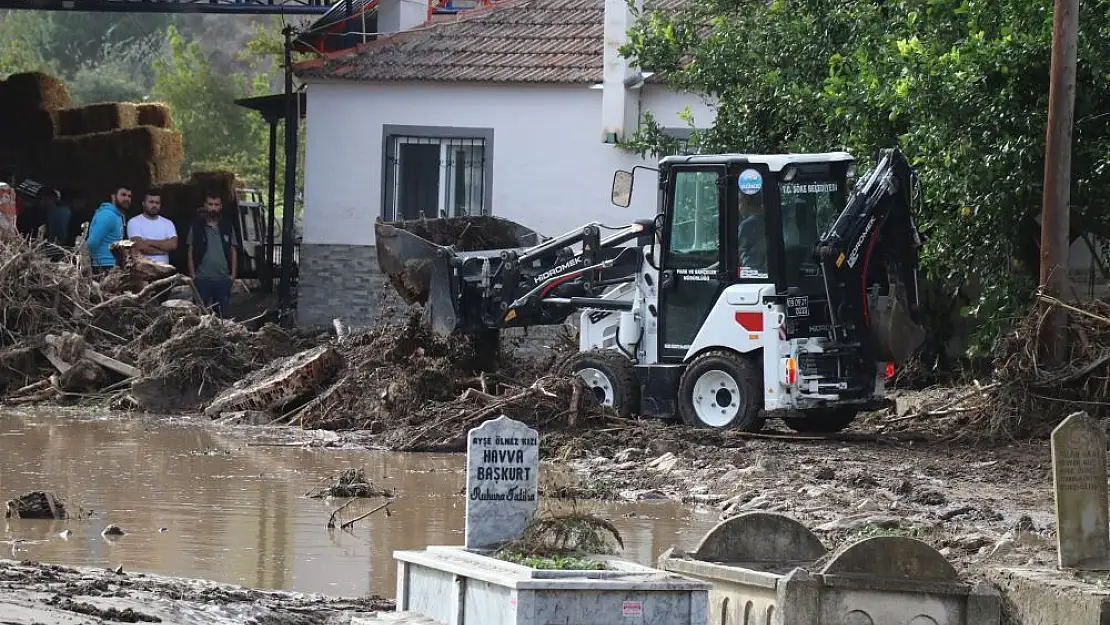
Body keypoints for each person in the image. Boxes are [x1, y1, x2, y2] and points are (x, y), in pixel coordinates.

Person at [187, 193, 241, 318]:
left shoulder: (227, 226)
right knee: (199, 315)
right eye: (210, 204)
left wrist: (232, 275)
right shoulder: (196, 226)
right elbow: (190, 251)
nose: (213, 208)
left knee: (222, 316)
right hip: (201, 278)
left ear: (221, 207)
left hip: (222, 279)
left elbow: (233, 250)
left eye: (216, 205)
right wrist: (193, 275)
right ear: (205, 206)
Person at [86, 186, 131, 275]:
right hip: (103, 266)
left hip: (113, 265)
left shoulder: (118, 215)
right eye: (123, 195)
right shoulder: (107, 215)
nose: (127, 198)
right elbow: (91, 243)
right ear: (113, 197)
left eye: (129, 196)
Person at [126, 189, 177, 264]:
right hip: (142, 272)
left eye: (157, 203)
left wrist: (148, 241)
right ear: (143, 203)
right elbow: (139, 246)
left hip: (164, 272)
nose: (154, 205)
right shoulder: (134, 222)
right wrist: (163, 250)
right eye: (151, 202)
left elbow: (173, 245)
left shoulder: (168, 223)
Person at [736, 192, 767, 277]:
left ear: (747, 202)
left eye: (739, 202)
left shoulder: (747, 225)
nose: (738, 207)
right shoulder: (768, 219)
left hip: (749, 272)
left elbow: (734, 254)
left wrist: (707, 270)